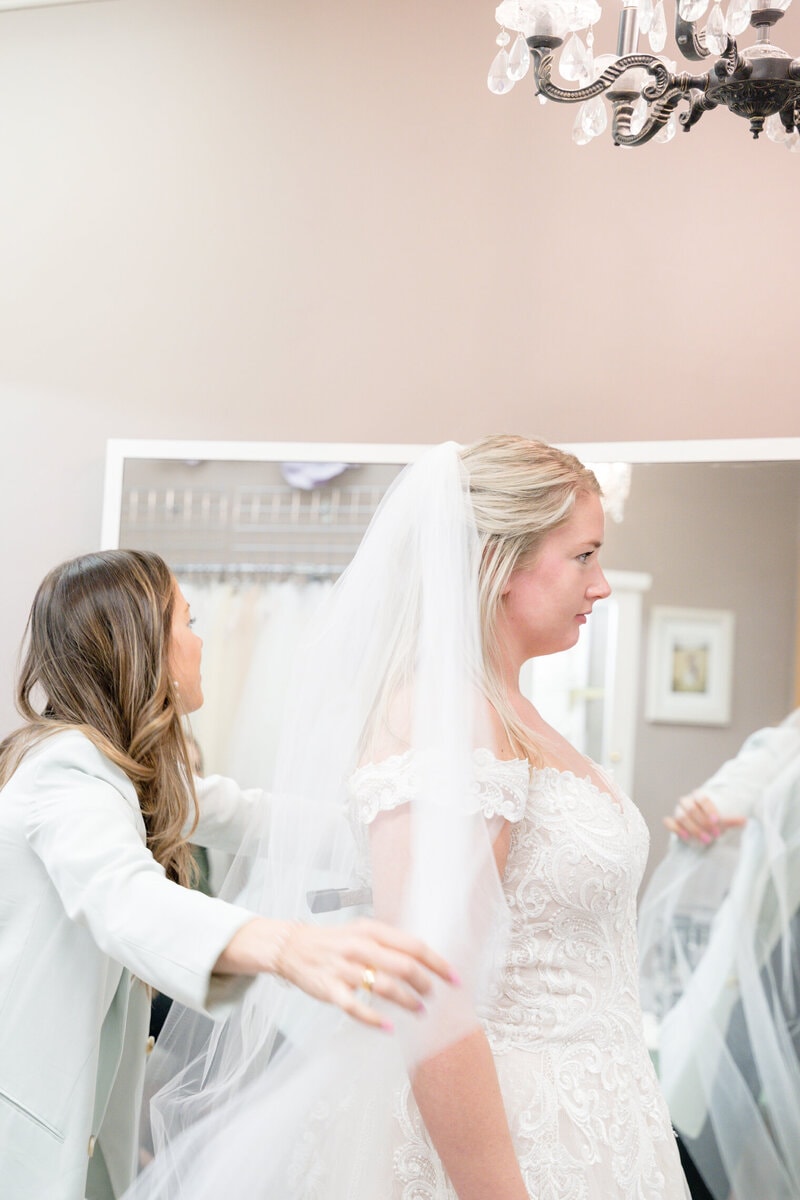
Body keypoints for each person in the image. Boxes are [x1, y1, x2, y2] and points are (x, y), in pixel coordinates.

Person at [127, 438, 689, 1200]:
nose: (603, 586)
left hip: (593, 1117)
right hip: (509, 1134)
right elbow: (432, 993)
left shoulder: (511, 709)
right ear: (499, 560)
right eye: (584, 556)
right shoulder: (444, 708)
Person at [0, 549, 457, 1200]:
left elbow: (249, 815)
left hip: (67, 1119)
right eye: (188, 622)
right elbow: (125, 896)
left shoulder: (119, 770)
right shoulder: (69, 772)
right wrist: (287, 945)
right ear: (142, 645)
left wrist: (396, 833)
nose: (201, 641)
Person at [639, 709, 800, 1200]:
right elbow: (746, 778)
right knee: (697, 1158)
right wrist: (705, 809)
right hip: (754, 998)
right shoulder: (790, 740)